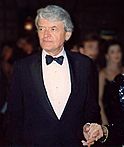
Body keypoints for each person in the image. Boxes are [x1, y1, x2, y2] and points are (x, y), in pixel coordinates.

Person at [5, 5, 101, 146]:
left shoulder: (84, 65)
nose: (46, 35)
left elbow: (91, 109)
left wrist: (89, 128)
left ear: (67, 34)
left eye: (53, 29)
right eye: (42, 28)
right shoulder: (22, 67)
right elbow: (13, 117)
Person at [98, 40, 124, 125]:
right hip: (108, 116)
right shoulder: (103, 74)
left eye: (118, 51)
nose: (116, 54)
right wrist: (104, 120)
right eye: (112, 52)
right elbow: (99, 99)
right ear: (107, 55)